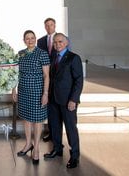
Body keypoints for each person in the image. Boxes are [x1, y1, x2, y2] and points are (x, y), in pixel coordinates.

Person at [44, 33, 83, 169]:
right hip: (53, 99)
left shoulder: (74, 58)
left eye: (60, 42)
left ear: (66, 43)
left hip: (68, 101)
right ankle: (57, 149)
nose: (57, 44)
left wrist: (74, 99)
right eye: (55, 42)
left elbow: (79, 81)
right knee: (54, 126)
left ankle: (74, 156)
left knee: (71, 128)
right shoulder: (53, 57)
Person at [12, 30, 50, 165]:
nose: (30, 40)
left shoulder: (42, 53)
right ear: (24, 40)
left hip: (37, 90)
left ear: (36, 39)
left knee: (37, 119)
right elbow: (16, 73)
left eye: (32, 38)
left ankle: (37, 149)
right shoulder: (20, 53)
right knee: (26, 118)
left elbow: (46, 75)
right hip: (23, 90)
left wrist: (45, 93)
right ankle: (28, 144)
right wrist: (13, 89)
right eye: (27, 38)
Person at [37, 17, 57, 142]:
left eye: (51, 25)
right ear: (45, 27)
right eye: (47, 25)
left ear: (55, 25)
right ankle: (50, 132)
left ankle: (56, 134)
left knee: (55, 107)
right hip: (45, 78)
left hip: (57, 78)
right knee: (49, 107)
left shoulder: (61, 39)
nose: (49, 27)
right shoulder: (41, 41)